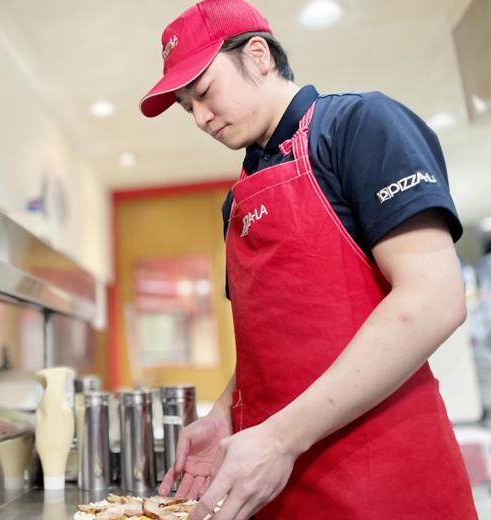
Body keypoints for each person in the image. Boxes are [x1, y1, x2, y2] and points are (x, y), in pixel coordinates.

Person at [139, 0, 476, 518]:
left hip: (388, 485)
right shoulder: (237, 204)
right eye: (188, 108)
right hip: (279, 492)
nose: (201, 119)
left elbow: (433, 299)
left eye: (204, 92)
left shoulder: (358, 127)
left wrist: (279, 439)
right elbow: (272, 346)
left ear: (258, 57)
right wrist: (223, 415)